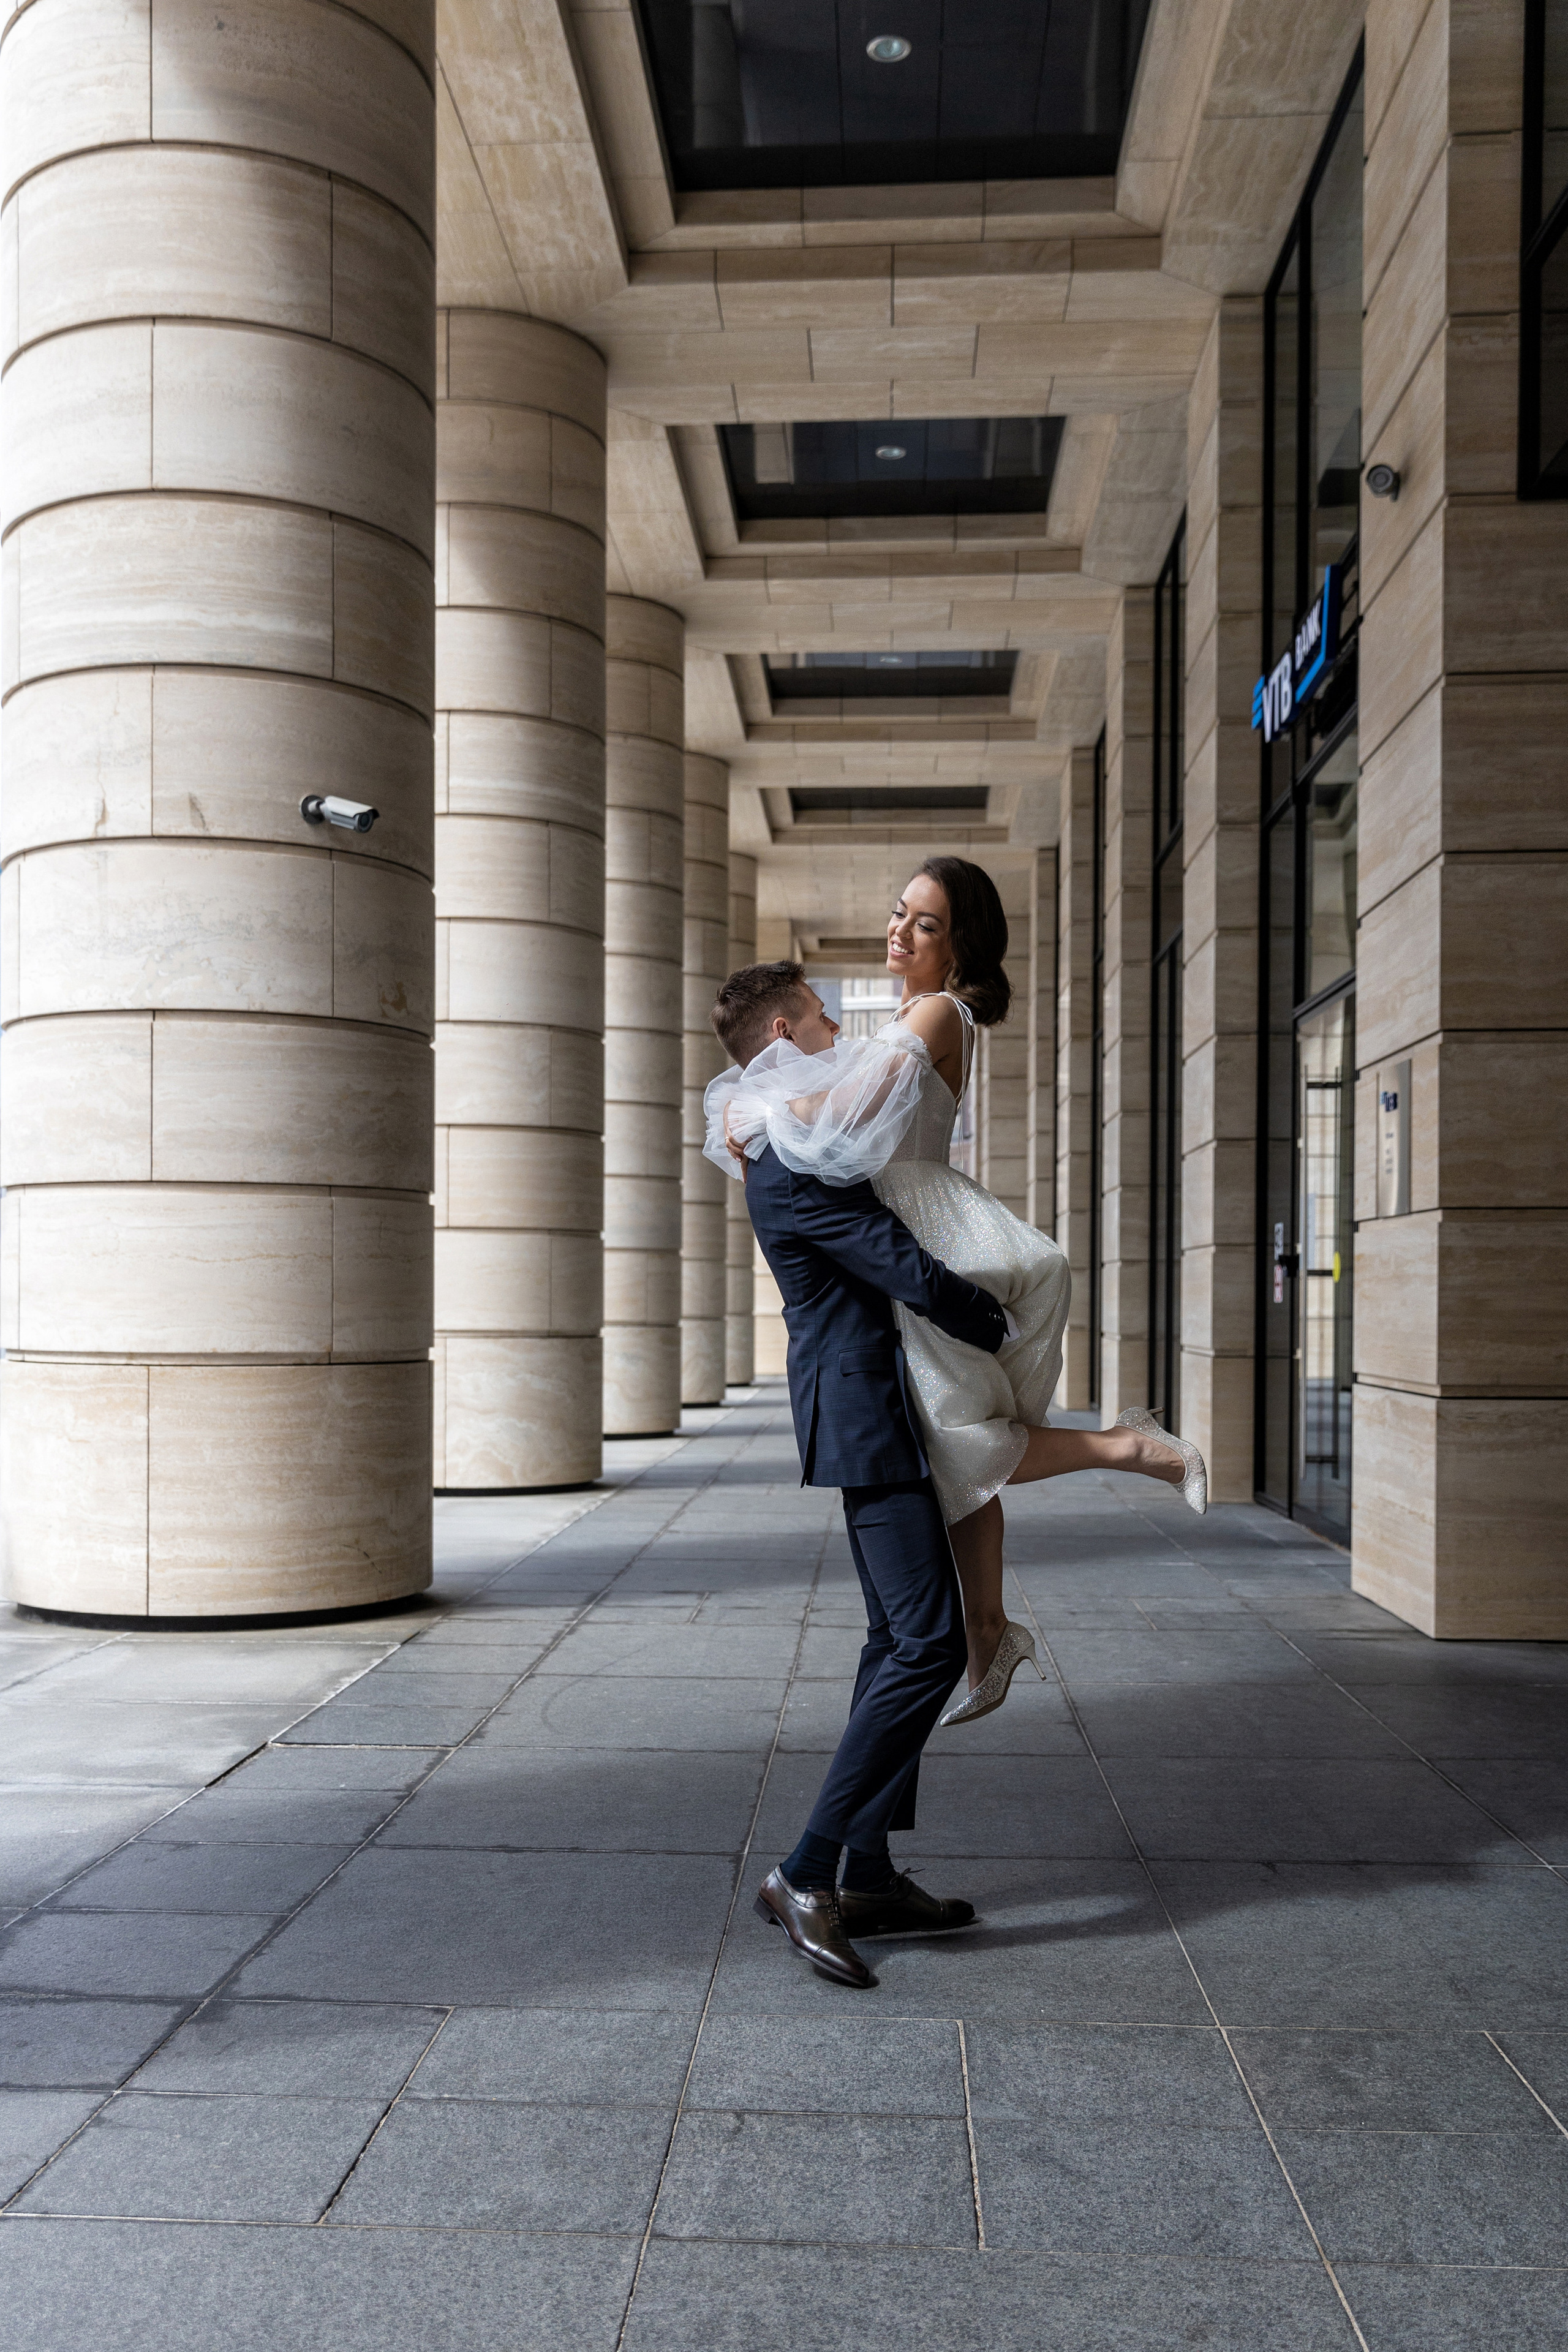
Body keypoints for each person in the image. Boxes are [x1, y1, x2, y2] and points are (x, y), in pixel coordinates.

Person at [706, 861, 1207, 1736]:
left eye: (926, 924)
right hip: (900, 1231)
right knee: (955, 1447)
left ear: (958, 945)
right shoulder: (906, 1015)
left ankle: (1131, 1447)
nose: (901, 931)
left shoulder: (938, 1012)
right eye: (900, 912)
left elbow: (839, 1120)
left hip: (924, 1232)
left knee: (964, 1440)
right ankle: (987, 1629)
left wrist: (756, 1105)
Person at [709, 960, 1012, 1991]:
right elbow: (898, 1263)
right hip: (862, 1411)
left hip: (871, 1404)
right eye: (823, 1017)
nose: (837, 1031)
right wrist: (998, 1321)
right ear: (784, 1033)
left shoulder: (782, 1139)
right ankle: (805, 1875)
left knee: (895, 1638)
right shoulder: (790, 1162)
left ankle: (869, 1872)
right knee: (928, 1644)